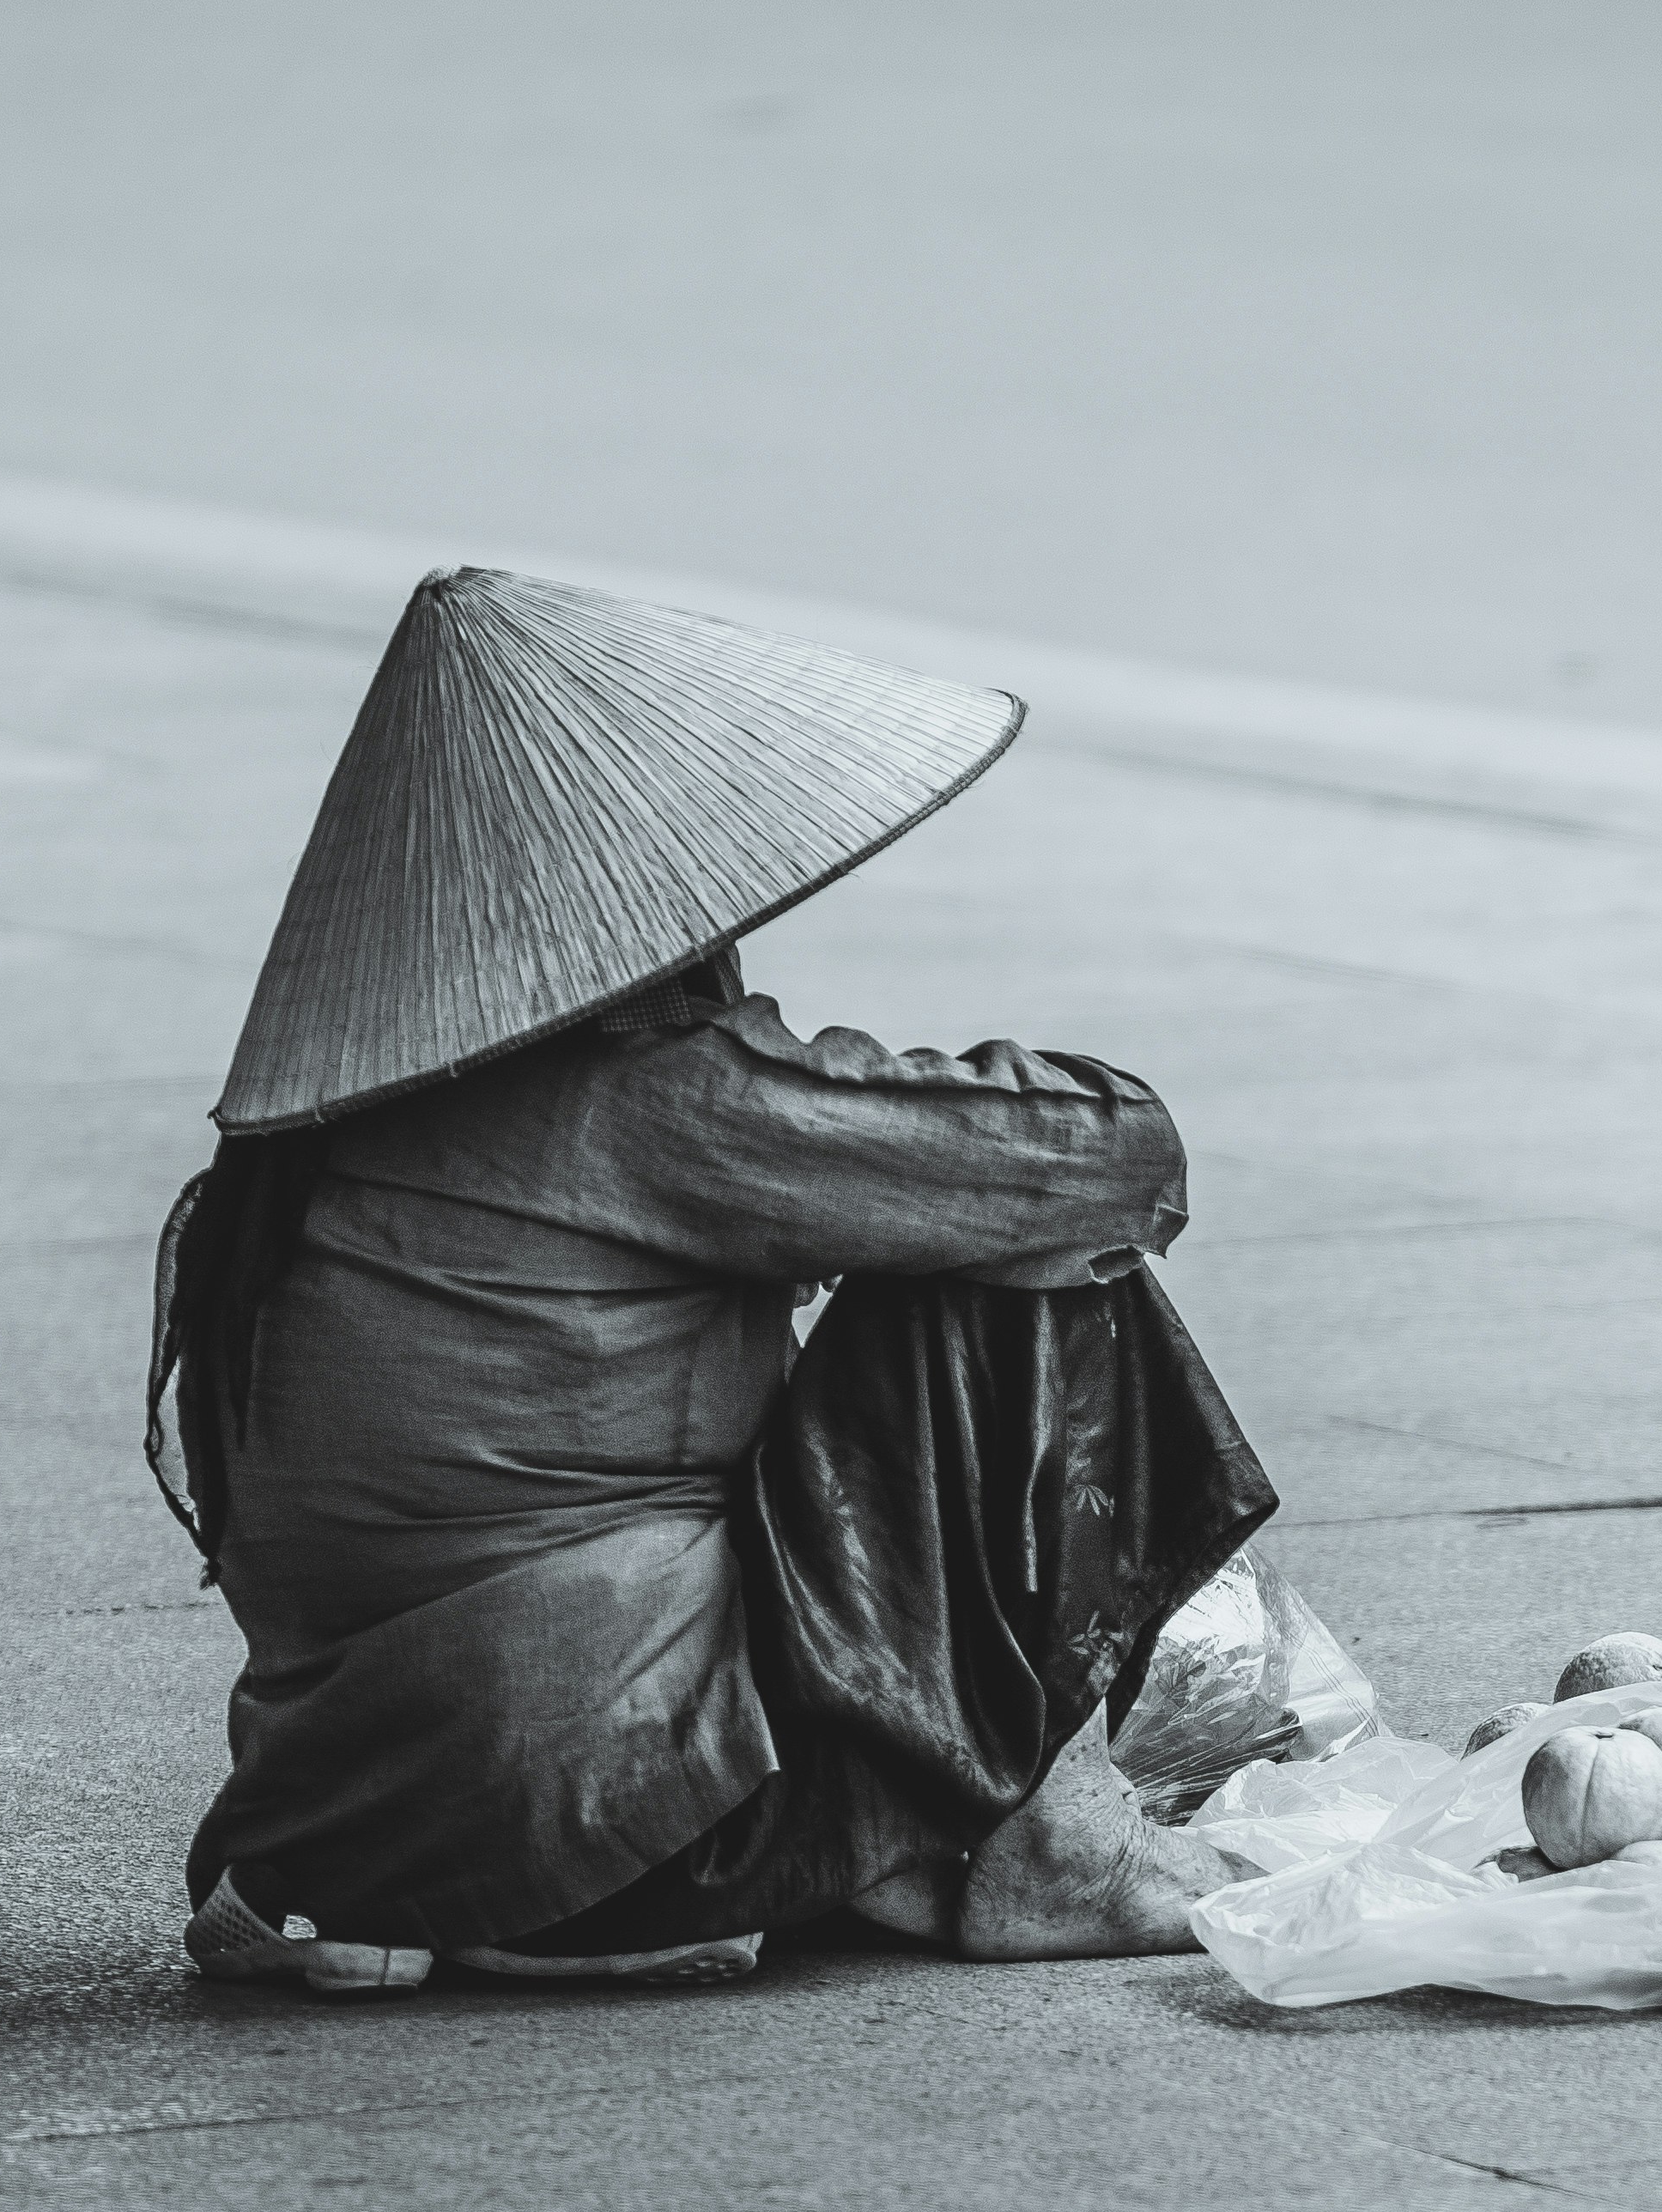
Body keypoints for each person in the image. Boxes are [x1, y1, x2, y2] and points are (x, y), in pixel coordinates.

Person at [147, 568, 1274, 1996]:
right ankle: (1049, 1850)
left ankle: (933, 1834)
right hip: (601, 1829)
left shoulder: (309, 1139)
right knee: (1033, 1278)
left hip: (353, 1830)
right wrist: (800, 1085)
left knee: (955, 1225)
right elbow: (1108, 1152)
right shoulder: (634, 1098)